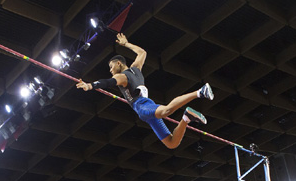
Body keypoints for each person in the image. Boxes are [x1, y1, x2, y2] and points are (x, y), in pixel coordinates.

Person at [77, 33, 214, 149]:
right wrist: (126, 44)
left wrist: (90, 86)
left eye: (111, 66)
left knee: (166, 111)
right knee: (172, 143)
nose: (110, 70)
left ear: (118, 63)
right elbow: (142, 52)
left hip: (142, 107)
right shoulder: (136, 68)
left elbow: (107, 82)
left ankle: (200, 92)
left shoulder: (121, 76)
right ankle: (186, 118)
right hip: (147, 107)